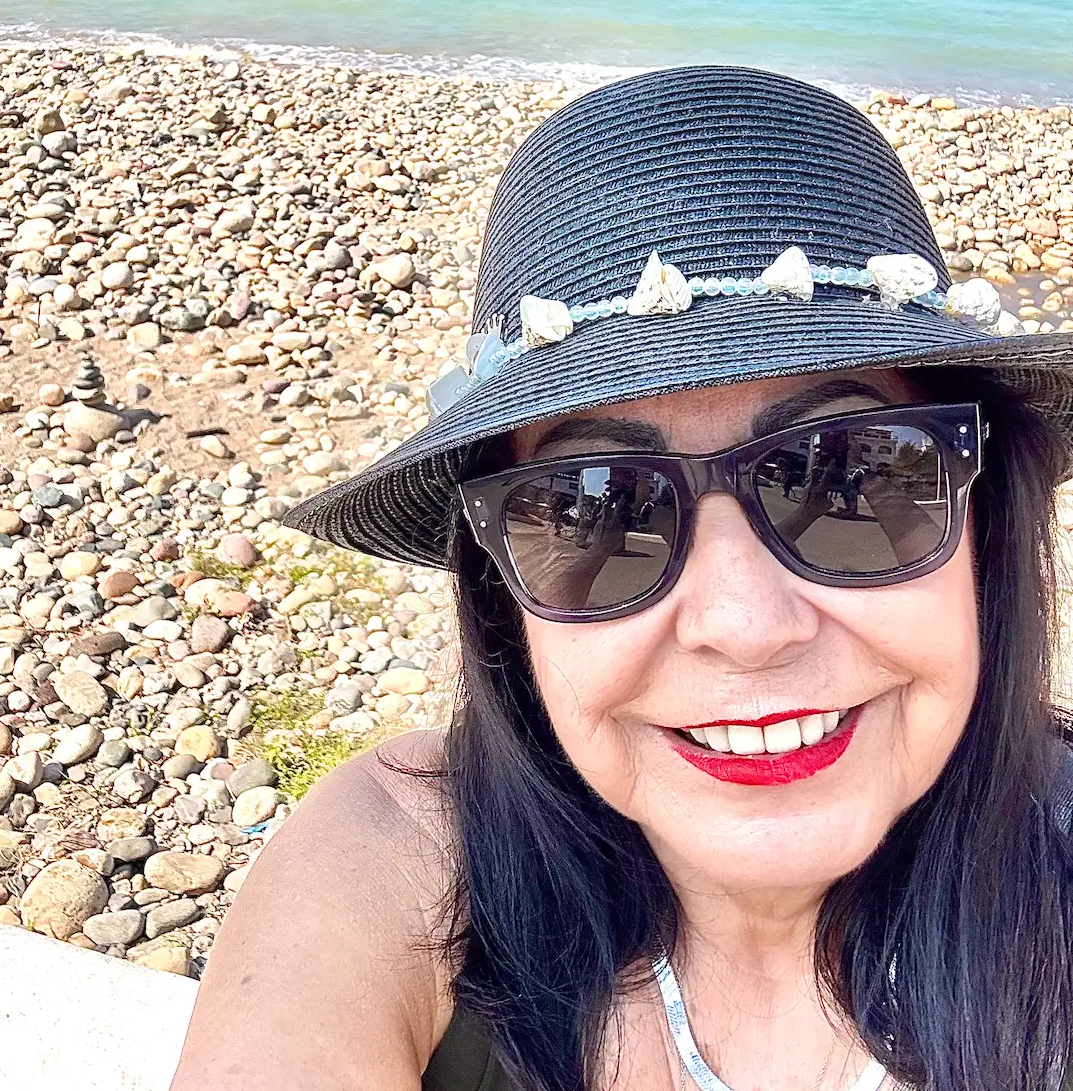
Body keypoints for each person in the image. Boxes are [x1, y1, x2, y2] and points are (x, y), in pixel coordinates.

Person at [170, 67, 1073, 1091]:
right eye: (596, 509)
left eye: (850, 477)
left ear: (986, 524)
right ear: (503, 601)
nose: (745, 624)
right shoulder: (398, 863)